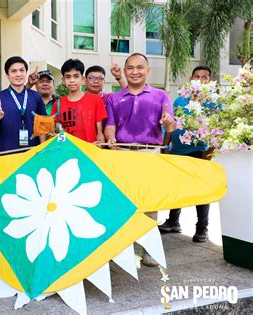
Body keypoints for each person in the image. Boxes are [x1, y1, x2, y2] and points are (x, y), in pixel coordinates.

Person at [104, 53, 176, 267]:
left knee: (149, 203)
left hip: (149, 153)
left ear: (148, 70)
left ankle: (149, 251)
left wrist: (169, 122)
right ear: (125, 71)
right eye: (131, 68)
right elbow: (110, 125)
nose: (135, 72)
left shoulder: (160, 96)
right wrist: (110, 139)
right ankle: (122, 252)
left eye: (140, 67)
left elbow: (170, 126)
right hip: (122, 153)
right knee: (122, 202)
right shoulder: (114, 98)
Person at [158, 65, 213, 242]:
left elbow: (215, 129)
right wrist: (165, 146)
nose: (200, 79)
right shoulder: (180, 100)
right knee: (176, 188)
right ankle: (174, 221)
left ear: (209, 81)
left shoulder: (212, 102)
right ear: (191, 79)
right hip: (177, 151)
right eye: (196, 76)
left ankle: (202, 228)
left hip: (199, 151)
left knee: (202, 192)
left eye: (204, 77)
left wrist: (209, 154)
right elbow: (171, 125)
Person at [0, 56, 47, 151]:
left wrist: (43, 148)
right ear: (7, 75)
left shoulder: (36, 96)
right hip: (7, 154)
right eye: (13, 71)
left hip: (33, 153)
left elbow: (42, 125)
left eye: (22, 70)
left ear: (26, 72)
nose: (18, 74)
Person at [50, 59, 107, 144]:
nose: (72, 80)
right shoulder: (58, 104)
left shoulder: (95, 100)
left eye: (76, 76)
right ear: (63, 80)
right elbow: (57, 131)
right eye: (68, 77)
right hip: (68, 152)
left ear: (83, 79)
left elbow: (99, 133)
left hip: (90, 151)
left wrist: (100, 145)